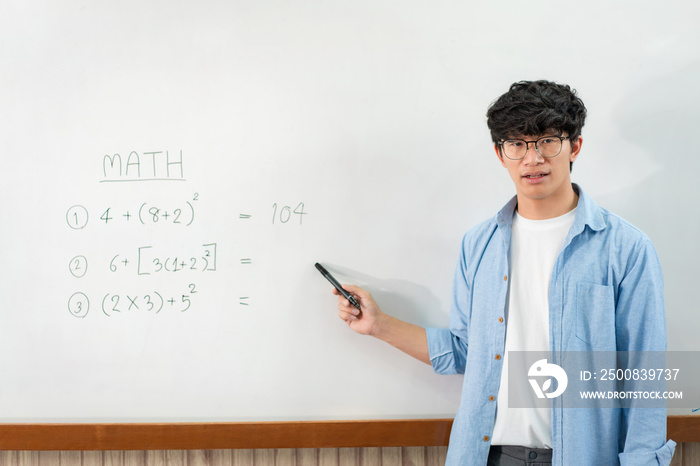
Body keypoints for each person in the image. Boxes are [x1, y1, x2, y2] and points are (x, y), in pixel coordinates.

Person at [332, 80, 677, 465]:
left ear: (574, 146)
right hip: (486, 456)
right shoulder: (478, 245)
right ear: (501, 154)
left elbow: (644, 374)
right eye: (517, 144)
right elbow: (466, 350)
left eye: (548, 141)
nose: (533, 159)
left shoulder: (625, 248)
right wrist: (378, 324)